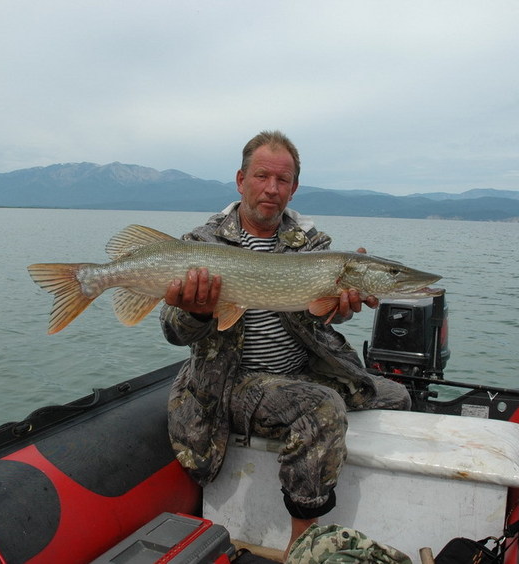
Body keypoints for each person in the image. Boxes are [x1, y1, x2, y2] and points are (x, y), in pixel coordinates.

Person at [160, 130, 411, 555]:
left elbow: (321, 316)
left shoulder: (312, 245)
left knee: (397, 396)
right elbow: (172, 330)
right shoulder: (200, 244)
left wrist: (339, 307)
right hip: (232, 385)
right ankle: (302, 545)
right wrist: (198, 311)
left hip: (297, 374)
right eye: (262, 176)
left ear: (294, 187)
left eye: (283, 180)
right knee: (321, 406)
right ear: (241, 180)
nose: (272, 189)